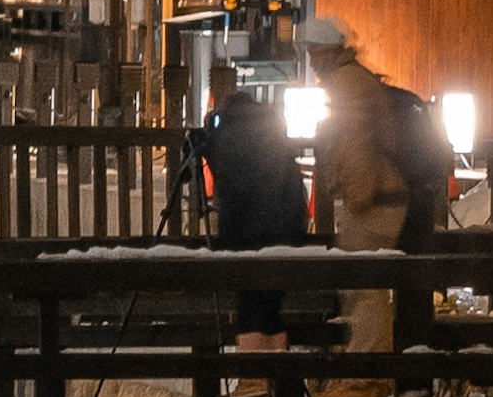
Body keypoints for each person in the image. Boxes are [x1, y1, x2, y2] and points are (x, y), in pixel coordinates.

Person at [310, 25, 451, 358]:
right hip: (399, 193)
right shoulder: (357, 79)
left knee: (363, 284)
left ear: (326, 51)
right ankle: (401, 372)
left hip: (375, 198)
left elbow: (356, 144)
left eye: (314, 51)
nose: (312, 61)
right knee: (394, 287)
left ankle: (366, 372)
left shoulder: (348, 83)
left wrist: (355, 194)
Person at [188, 64, 318, 352]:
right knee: (271, 305)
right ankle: (273, 374)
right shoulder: (268, 131)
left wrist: (227, 241)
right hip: (288, 226)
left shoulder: (229, 136)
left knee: (250, 306)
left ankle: (253, 378)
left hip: (249, 233)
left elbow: (234, 195)